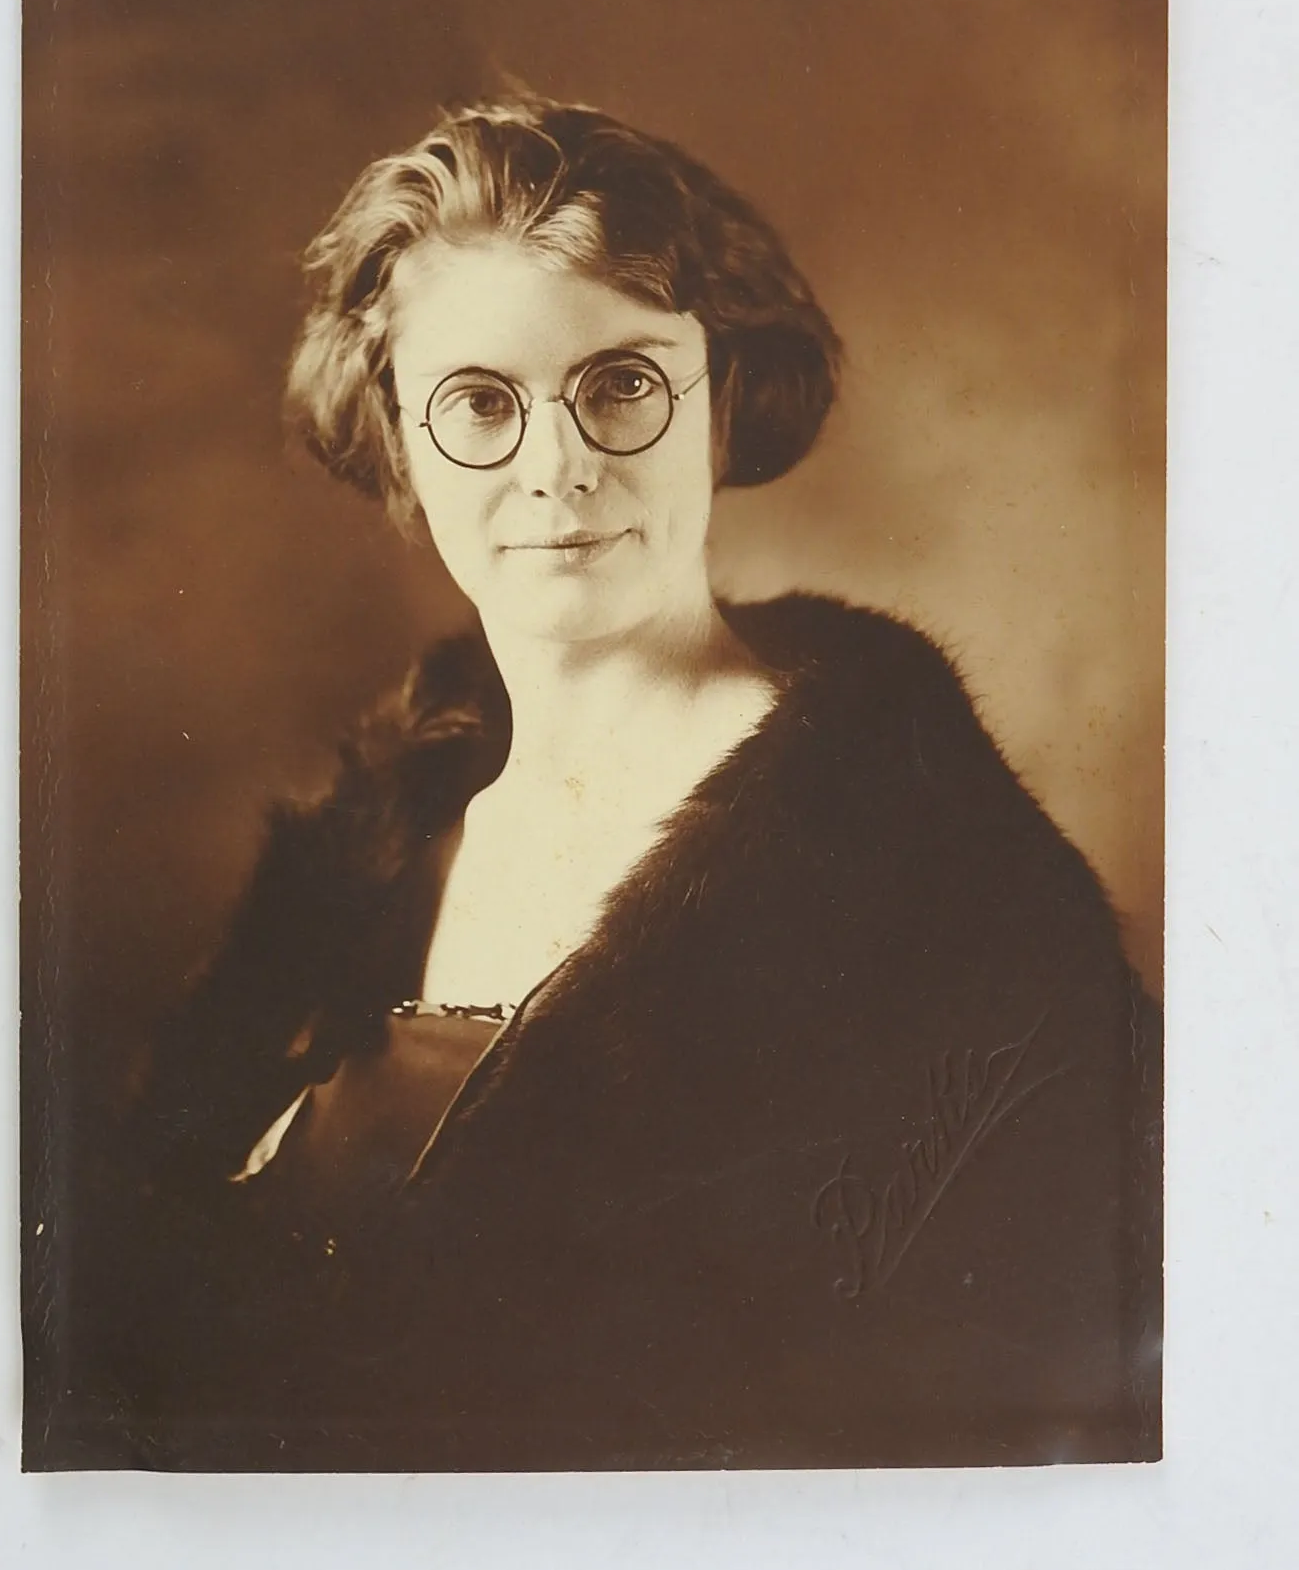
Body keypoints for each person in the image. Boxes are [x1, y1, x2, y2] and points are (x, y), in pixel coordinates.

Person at [115, 97, 1161, 1472]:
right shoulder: (376, 853)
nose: (556, 468)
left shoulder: (935, 877)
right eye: (480, 403)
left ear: (720, 403)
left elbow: (1014, 1427)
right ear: (401, 443)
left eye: (619, 383)